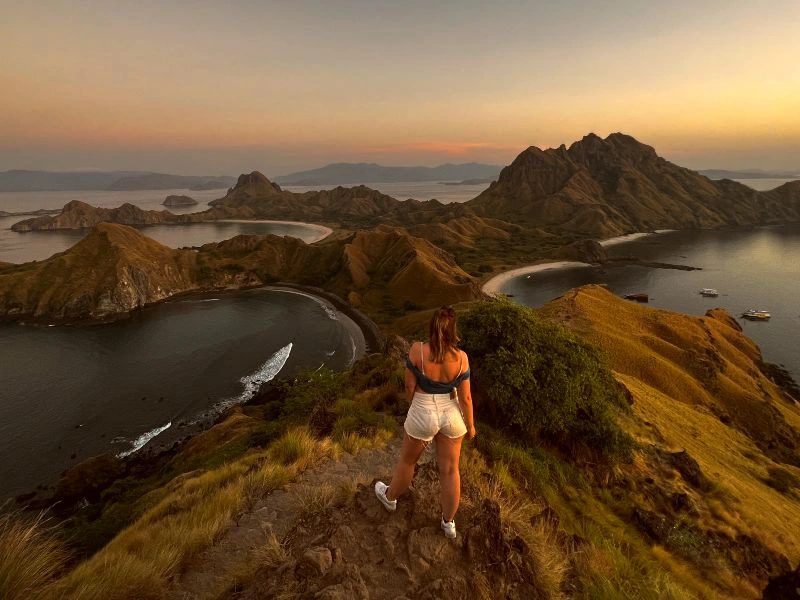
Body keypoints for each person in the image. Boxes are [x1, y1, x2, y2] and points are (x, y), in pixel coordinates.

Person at [374, 306, 476, 539]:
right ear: (453, 331)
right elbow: (467, 398)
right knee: (450, 471)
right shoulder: (461, 358)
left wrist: (416, 406)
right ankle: (448, 523)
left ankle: (390, 498)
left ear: (432, 327)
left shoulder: (417, 351)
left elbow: (409, 386)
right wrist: (470, 426)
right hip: (451, 412)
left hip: (423, 408)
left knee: (408, 462)